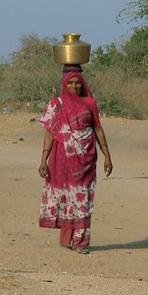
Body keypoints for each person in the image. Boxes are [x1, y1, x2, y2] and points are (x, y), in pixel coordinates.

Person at [38, 67, 113, 254]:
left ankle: (81, 240)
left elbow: (98, 129)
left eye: (78, 82)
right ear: (65, 84)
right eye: (70, 82)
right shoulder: (57, 104)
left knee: (83, 197)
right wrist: (43, 160)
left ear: (83, 84)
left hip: (87, 158)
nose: (74, 86)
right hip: (63, 158)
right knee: (67, 196)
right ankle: (66, 236)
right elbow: (50, 133)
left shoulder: (90, 103)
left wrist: (107, 155)